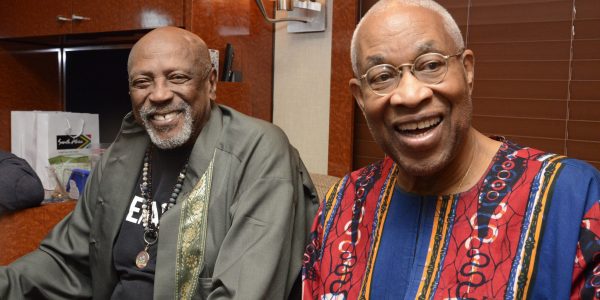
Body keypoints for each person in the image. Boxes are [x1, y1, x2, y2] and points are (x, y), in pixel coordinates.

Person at [302, 0, 600, 299]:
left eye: (431, 65)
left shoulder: (572, 198)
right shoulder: (344, 204)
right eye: (382, 76)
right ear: (360, 97)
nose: (409, 95)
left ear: (467, 70)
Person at [0, 26, 318, 299]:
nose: (160, 94)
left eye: (177, 77)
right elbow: (66, 263)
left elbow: (245, 291)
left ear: (211, 82)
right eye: (143, 82)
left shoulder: (259, 151)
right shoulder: (120, 157)